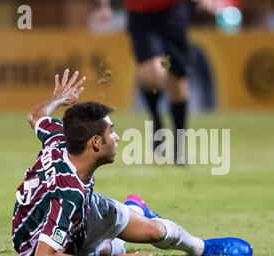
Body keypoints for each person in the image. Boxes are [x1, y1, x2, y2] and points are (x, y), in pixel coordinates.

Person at [11, 69, 252, 256]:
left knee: (155, 232)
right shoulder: (68, 196)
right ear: (95, 142)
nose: (116, 137)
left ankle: (202, 247)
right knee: (113, 249)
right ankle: (132, 211)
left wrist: (57, 99)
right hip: (39, 242)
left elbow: (35, 115)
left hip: (61, 215)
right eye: (111, 132)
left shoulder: (59, 137)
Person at [94, 0, 221, 163]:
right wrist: (104, 5)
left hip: (172, 12)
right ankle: (157, 121)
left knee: (178, 83)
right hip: (140, 15)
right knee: (153, 73)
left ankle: (179, 146)